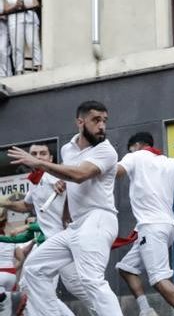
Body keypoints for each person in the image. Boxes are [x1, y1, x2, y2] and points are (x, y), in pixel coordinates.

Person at [8, 101, 123, 315]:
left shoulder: (106, 151)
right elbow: (71, 184)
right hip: (75, 226)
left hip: (99, 218)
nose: (102, 126)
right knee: (33, 269)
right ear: (80, 122)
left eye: (104, 121)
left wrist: (40, 164)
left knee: (91, 280)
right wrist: (66, 214)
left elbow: (79, 175)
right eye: (96, 120)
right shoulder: (67, 149)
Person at [114, 132, 174, 316]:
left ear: (137, 146)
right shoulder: (169, 162)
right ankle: (146, 310)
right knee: (125, 268)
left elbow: (115, 172)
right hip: (167, 226)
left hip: (151, 226)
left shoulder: (134, 156)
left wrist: (89, 172)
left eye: (130, 149)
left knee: (158, 279)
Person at [0, 143, 94, 316]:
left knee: (78, 286)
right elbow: (27, 205)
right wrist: (5, 202)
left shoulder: (55, 175)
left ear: (50, 159)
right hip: (50, 243)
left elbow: (77, 178)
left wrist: (67, 183)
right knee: (33, 285)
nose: (38, 156)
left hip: (64, 241)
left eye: (43, 153)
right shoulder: (36, 181)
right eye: (34, 153)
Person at [2, 0, 41, 74]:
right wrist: (15, 6)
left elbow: (36, 4)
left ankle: (38, 65)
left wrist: (23, 6)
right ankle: (19, 70)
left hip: (30, 20)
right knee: (17, 46)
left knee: (33, 42)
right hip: (15, 21)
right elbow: (5, 9)